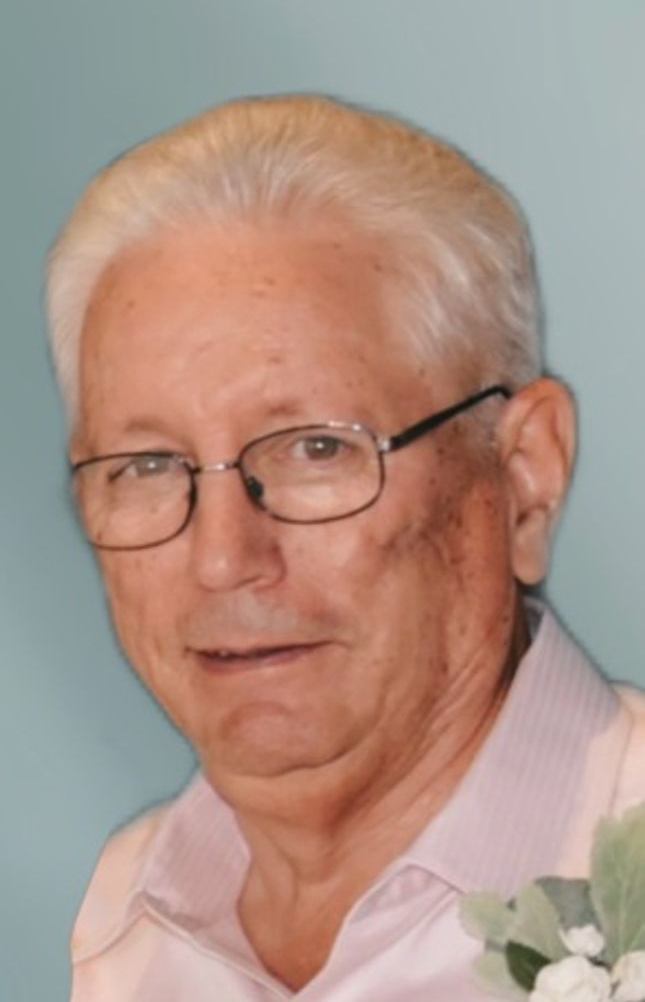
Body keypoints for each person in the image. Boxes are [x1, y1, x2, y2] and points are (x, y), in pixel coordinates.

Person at [46, 95, 645, 1001]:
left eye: (316, 450)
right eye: (149, 466)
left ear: (524, 475)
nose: (222, 560)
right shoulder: (123, 921)